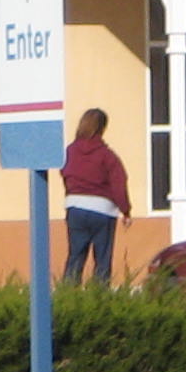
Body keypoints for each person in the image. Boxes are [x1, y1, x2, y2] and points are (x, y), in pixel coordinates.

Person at [58, 107, 130, 285]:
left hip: (75, 207)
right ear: (102, 128)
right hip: (102, 210)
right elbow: (118, 183)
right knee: (102, 259)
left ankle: (68, 297)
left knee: (75, 255)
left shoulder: (69, 151)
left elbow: (65, 172)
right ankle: (99, 299)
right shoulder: (107, 156)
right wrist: (126, 210)